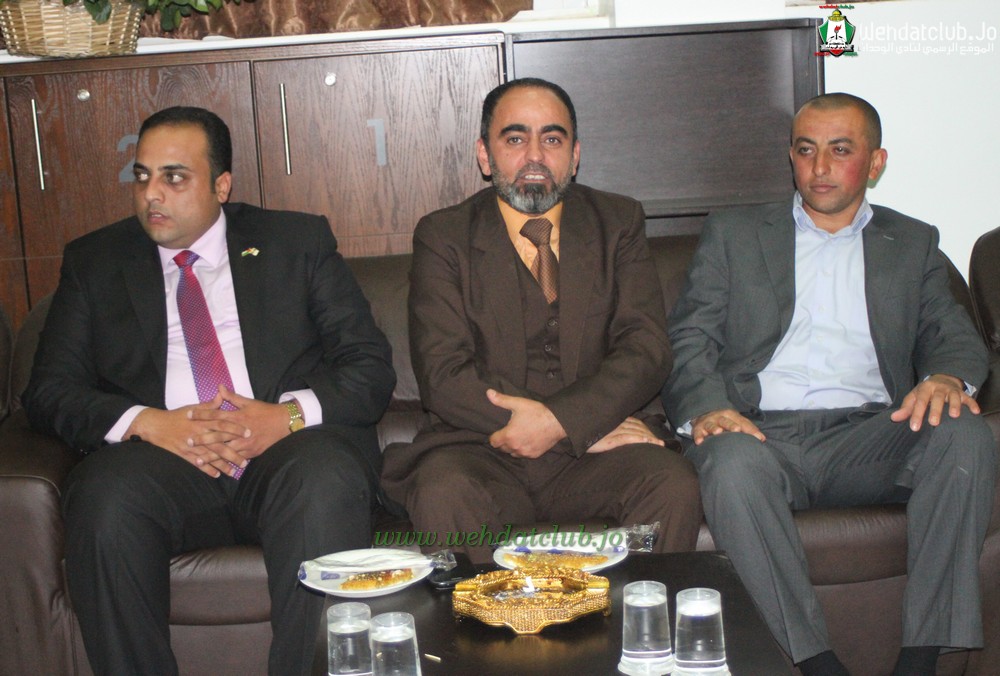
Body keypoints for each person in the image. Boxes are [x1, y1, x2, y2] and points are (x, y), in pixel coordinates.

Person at [23, 106, 395, 675]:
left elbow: (368, 366)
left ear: (222, 186)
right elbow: (49, 390)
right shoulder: (95, 262)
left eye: (174, 177)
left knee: (324, 478)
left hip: (285, 454)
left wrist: (285, 417)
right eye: (142, 176)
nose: (152, 194)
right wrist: (149, 422)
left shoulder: (295, 241)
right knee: (104, 496)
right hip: (165, 464)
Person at [661, 92, 997, 676]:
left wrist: (946, 376)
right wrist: (707, 407)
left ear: (875, 162)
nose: (819, 167)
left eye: (840, 150)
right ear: (790, 157)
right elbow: (690, 336)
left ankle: (921, 659)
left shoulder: (911, 241)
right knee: (731, 464)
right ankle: (817, 664)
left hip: (869, 435)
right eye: (805, 149)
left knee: (963, 432)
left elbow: (953, 334)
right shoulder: (735, 233)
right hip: (759, 435)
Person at [381, 78, 702, 563]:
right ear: (485, 155)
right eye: (515, 138)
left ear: (574, 156)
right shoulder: (443, 235)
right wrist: (564, 427)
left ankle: (638, 617)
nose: (535, 155)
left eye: (552, 139)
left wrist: (564, 423)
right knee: (442, 490)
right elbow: (443, 375)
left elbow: (646, 348)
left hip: (596, 454)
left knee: (670, 484)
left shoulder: (618, 222)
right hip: (482, 447)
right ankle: (482, 617)